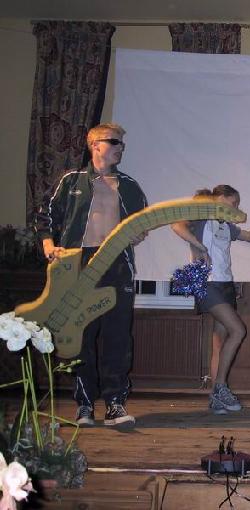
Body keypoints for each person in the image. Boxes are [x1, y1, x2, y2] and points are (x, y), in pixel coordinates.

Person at [36, 123, 148, 429]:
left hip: (117, 264)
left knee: (117, 335)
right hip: (78, 263)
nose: (121, 147)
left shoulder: (129, 185)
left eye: (122, 143)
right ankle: (84, 404)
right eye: (115, 142)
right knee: (82, 335)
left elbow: (141, 225)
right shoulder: (71, 181)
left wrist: (138, 235)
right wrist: (48, 244)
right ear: (94, 144)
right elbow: (45, 216)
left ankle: (115, 404)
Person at [171, 185, 250, 414]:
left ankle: (216, 397)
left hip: (226, 284)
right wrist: (199, 246)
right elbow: (176, 224)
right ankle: (221, 387)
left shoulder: (226, 225)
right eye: (234, 203)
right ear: (220, 198)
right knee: (238, 330)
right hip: (207, 283)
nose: (236, 208)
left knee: (219, 342)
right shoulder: (202, 215)